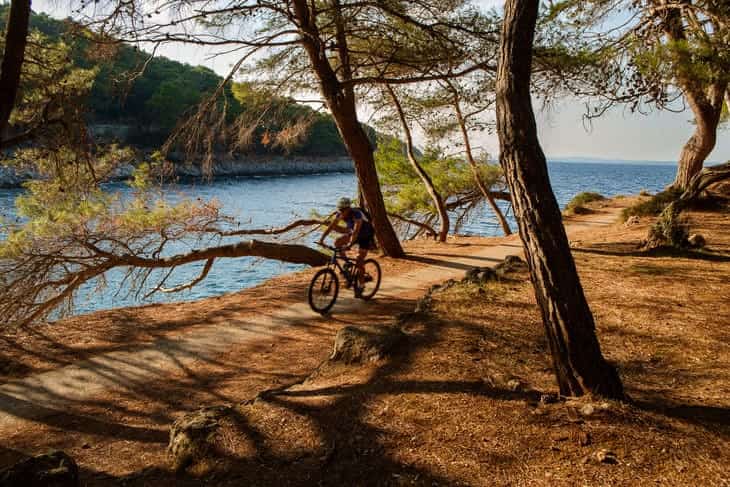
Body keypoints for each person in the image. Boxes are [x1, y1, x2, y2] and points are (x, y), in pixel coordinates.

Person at [318, 197, 376, 295]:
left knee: (359, 259)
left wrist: (350, 244)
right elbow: (331, 227)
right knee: (337, 242)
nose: (341, 211)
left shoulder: (356, 214)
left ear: (348, 208)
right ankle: (347, 264)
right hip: (353, 233)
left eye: (343, 209)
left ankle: (361, 285)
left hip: (365, 235)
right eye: (339, 209)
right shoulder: (340, 214)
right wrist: (321, 239)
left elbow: (356, 231)